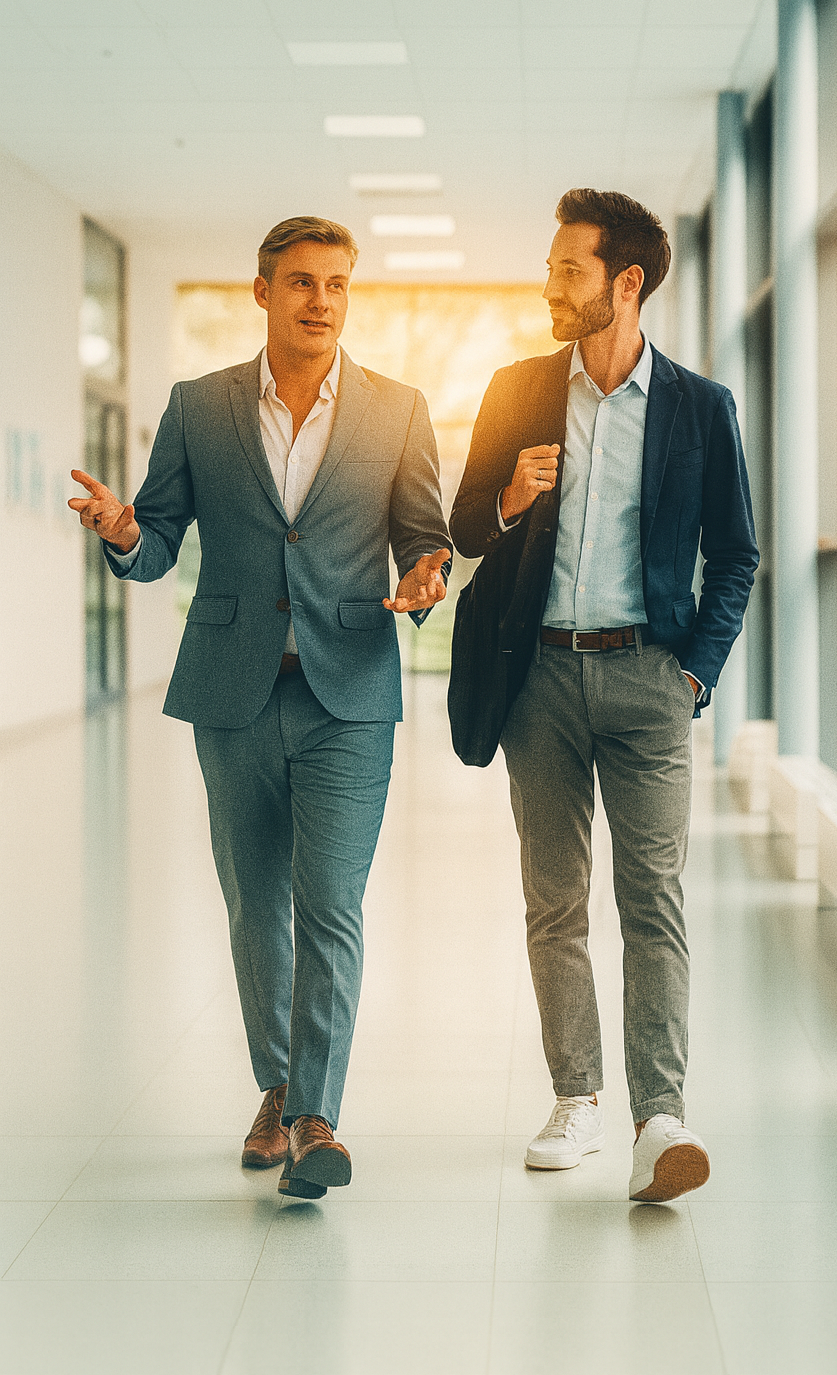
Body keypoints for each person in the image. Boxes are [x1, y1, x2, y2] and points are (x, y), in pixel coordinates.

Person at [69, 216, 451, 1200]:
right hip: (232, 691)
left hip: (349, 691)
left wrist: (424, 575)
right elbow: (154, 541)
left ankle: (316, 1117)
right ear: (261, 292)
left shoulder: (397, 408)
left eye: (336, 285)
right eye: (300, 283)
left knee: (330, 903)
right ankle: (277, 1088)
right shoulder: (199, 406)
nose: (320, 301)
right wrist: (120, 531)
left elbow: (422, 534)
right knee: (254, 910)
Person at [449, 189, 758, 1201]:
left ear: (625, 284)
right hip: (536, 675)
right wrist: (509, 498)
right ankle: (575, 1098)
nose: (549, 284)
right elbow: (463, 528)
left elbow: (737, 556)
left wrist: (693, 674)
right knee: (554, 897)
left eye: (568, 270)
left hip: (648, 679)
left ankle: (658, 1115)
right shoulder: (515, 390)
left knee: (652, 901)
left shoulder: (699, 408)